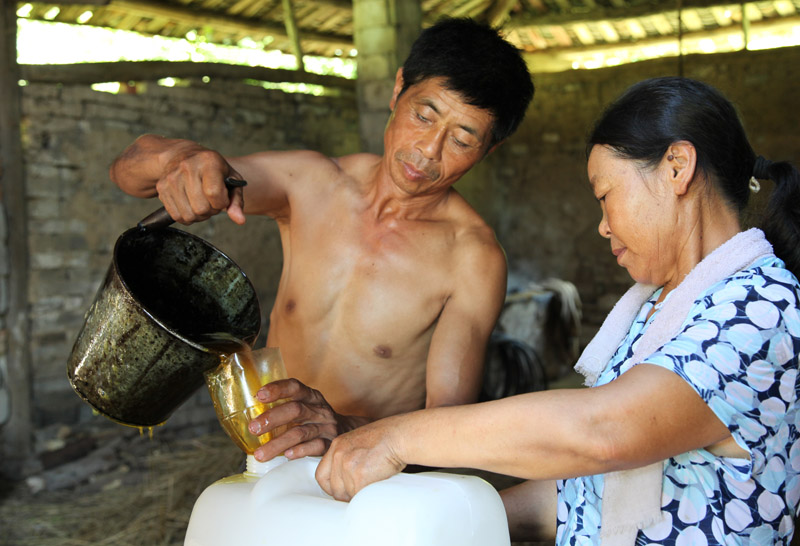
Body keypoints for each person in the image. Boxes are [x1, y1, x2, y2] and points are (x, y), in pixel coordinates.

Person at [315, 76, 800, 545]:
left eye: (606, 196)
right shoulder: (664, 307)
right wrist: (452, 518)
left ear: (677, 166)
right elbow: (590, 492)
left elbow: (602, 431)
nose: (603, 226)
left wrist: (395, 438)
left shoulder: (764, 307)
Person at [109, 18, 534, 463]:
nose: (428, 150)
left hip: (373, 481)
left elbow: (450, 424)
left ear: (488, 150)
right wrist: (182, 158)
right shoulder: (310, 184)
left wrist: (344, 429)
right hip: (270, 459)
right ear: (397, 90)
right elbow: (130, 172)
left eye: (462, 140)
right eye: (423, 116)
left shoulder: (472, 258)